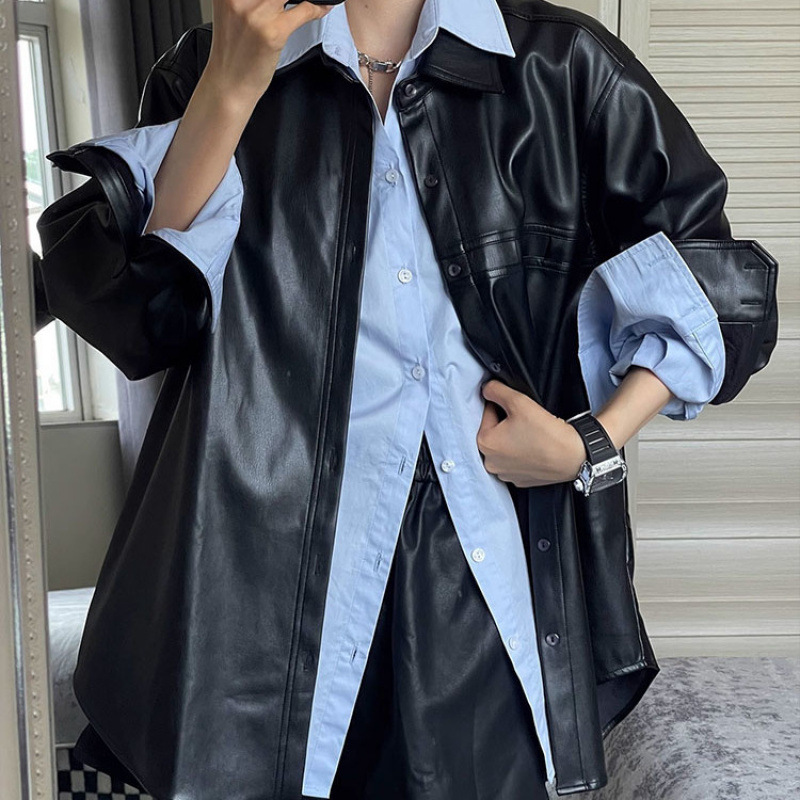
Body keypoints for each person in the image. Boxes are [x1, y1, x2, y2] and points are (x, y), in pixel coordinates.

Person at [36, 1, 777, 798]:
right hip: (255, 582)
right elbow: (144, 320)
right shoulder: (207, 65)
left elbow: (717, 279)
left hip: (480, 569)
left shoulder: (561, 64)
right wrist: (229, 87)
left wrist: (588, 442)